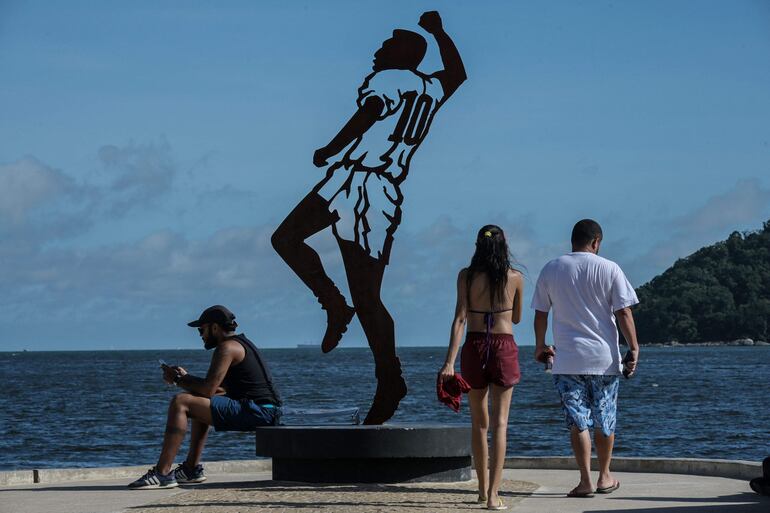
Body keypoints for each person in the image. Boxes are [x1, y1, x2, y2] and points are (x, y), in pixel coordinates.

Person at [271, 11, 466, 425]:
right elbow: (458, 73)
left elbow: (369, 113)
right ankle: (334, 306)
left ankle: (389, 378)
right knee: (285, 238)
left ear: (404, 56)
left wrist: (328, 147)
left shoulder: (391, 79)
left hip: (367, 187)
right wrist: (440, 33)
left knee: (368, 295)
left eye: (387, 46)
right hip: (352, 180)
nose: (377, 51)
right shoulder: (431, 88)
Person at [531, 219, 639, 498]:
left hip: (567, 359)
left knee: (578, 420)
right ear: (596, 242)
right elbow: (623, 312)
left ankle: (585, 481)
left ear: (572, 241)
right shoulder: (610, 268)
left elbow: (541, 314)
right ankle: (604, 477)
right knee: (606, 417)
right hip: (604, 359)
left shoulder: (552, 268)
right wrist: (634, 348)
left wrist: (540, 345)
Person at [128, 305, 282, 489]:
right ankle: (190, 470)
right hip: (263, 410)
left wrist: (177, 379)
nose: (200, 335)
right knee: (195, 399)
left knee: (181, 402)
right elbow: (217, 390)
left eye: (202, 329)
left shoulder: (227, 348)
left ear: (215, 328)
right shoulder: (240, 344)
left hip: (259, 412)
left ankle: (162, 473)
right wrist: (185, 379)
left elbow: (208, 389)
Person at [439, 225, 523, 511]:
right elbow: (518, 317)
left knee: (479, 424)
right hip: (504, 347)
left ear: (478, 245)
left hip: (474, 347)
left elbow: (459, 319)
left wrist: (449, 362)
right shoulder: (515, 278)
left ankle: (480, 488)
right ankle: (493, 496)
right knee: (500, 424)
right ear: (504, 245)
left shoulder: (466, 276)